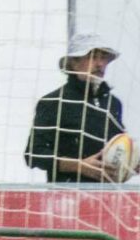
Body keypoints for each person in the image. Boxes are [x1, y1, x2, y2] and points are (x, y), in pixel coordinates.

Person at [27, 32, 127, 183]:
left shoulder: (113, 103)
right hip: (66, 196)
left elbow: (118, 147)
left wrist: (131, 163)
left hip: (107, 195)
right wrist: (79, 166)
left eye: (104, 58)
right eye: (92, 57)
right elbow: (33, 154)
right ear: (73, 63)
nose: (100, 64)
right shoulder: (53, 101)